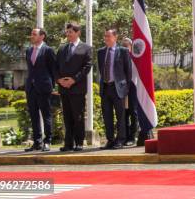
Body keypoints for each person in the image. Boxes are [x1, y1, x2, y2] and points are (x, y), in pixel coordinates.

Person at [54, 22, 93, 152]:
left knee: (78, 116)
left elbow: (87, 67)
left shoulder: (86, 48)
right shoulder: (62, 48)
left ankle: (79, 142)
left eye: (70, 32)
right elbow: (55, 67)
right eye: (67, 32)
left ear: (78, 33)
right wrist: (59, 79)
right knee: (67, 117)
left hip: (77, 88)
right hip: (64, 88)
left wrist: (74, 79)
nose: (68, 34)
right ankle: (68, 143)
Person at [97, 29, 132, 150]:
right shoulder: (100, 52)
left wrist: (126, 88)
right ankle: (110, 140)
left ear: (115, 37)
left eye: (108, 36)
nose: (106, 38)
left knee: (120, 116)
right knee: (107, 116)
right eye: (105, 36)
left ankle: (120, 140)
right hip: (105, 88)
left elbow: (128, 71)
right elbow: (101, 70)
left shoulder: (123, 51)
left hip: (119, 89)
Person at [24, 28, 57, 152]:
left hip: (44, 87)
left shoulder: (48, 50)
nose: (31, 36)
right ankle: (37, 142)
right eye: (31, 34)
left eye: (34, 34)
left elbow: (53, 70)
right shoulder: (28, 50)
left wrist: (52, 86)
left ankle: (47, 141)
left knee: (46, 115)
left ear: (42, 36)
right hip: (31, 88)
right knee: (33, 115)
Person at [121, 37, 139, 146]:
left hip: (133, 86)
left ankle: (132, 137)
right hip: (121, 87)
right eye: (123, 45)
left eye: (127, 45)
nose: (125, 47)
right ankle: (125, 136)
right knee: (124, 113)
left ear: (131, 46)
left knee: (133, 112)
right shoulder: (119, 58)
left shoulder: (135, 58)